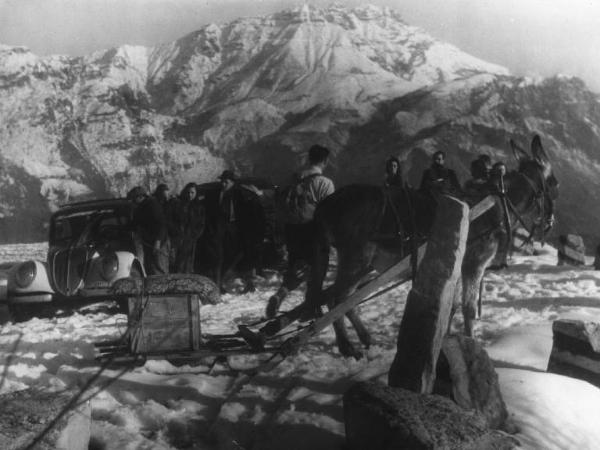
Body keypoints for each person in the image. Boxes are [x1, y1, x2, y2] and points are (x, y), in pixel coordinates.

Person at [266, 144, 335, 319]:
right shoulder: (324, 183)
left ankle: (280, 294)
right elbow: (329, 213)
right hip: (314, 233)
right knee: (317, 270)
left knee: (296, 267)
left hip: (292, 232)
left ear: (309, 158)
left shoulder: (293, 179)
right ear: (325, 161)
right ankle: (311, 307)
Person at [127, 186, 169, 275]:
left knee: (160, 268)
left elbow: (162, 224)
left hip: (159, 244)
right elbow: (134, 224)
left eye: (133, 199)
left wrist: (158, 241)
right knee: (151, 269)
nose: (132, 202)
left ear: (140, 197)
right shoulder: (139, 208)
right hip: (149, 243)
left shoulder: (152, 205)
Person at [173, 182, 206, 273]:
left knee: (188, 263)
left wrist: (193, 236)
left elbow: (201, 225)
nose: (190, 195)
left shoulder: (199, 207)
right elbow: (175, 220)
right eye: (188, 192)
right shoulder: (180, 205)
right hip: (179, 237)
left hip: (192, 239)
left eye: (192, 193)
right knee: (178, 262)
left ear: (196, 194)